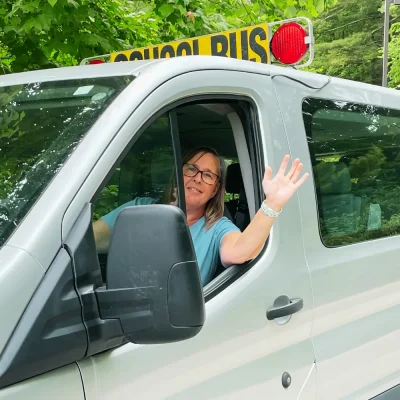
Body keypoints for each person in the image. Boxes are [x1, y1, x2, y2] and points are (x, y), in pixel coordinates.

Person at [93, 146, 309, 286]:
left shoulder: (216, 227)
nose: (197, 178)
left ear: (215, 189)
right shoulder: (137, 209)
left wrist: (273, 203)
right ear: (178, 173)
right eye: (191, 169)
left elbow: (239, 252)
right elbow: (85, 241)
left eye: (207, 175)